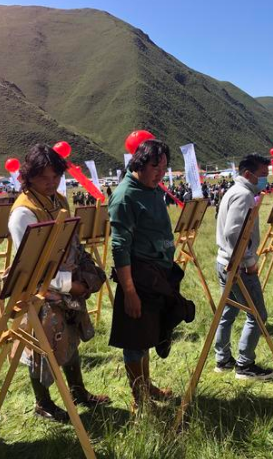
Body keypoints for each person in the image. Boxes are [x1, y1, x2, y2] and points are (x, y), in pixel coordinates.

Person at [8, 144, 110, 423]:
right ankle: (42, 403)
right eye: (44, 178)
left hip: (66, 283)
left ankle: (78, 392)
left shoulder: (60, 200)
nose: (51, 183)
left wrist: (83, 276)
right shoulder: (23, 213)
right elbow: (31, 266)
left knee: (71, 335)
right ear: (29, 177)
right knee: (41, 345)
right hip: (36, 290)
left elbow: (71, 244)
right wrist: (69, 285)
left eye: (56, 177)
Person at [108, 139, 195, 409]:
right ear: (140, 163)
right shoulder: (125, 196)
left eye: (164, 167)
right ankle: (140, 399)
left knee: (147, 335)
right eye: (155, 167)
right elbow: (120, 247)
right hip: (139, 278)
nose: (160, 173)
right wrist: (130, 292)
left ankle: (147, 386)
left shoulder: (153, 189)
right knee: (135, 341)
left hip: (158, 275)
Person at [214, 154, 272, 380]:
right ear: (248, 174)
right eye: (262, 175)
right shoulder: (243, 194)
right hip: (237, 265)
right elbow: (233, 233)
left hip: (225, 261)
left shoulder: (236, 191)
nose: (265, 179)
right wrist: (248, 262)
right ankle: (245, 365)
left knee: (229, 311)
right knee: (257, 314)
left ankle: (223, 359)